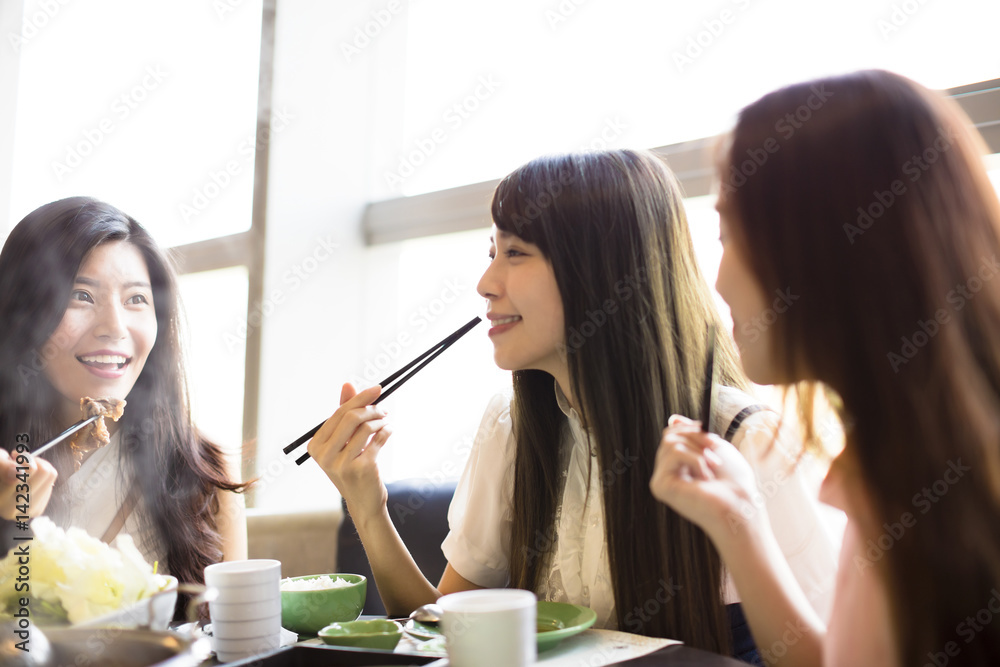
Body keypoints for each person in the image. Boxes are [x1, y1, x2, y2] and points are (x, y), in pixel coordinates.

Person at [309, 149, 838, 659]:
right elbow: (447, 634)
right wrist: (366, 502)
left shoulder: (740, 439)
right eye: (492, 253)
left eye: (515, 253)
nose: (485, 284)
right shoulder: (512, 426)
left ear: (603, 269)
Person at [651, 69, 1000, 666]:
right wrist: (738, 520)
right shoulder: (900, 466)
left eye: (732, 236)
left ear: (826, 252)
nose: (718, 279)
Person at [0, 197, 249, 606]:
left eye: (136, 299)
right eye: (81, 295)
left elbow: (234, 643)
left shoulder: (206, 468)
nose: (114, 327)